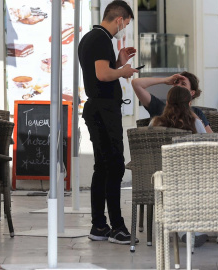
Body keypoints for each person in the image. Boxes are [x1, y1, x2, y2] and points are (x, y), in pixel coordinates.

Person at [78, 0, 138, 245]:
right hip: (103, 110)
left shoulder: (91, 38)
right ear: (119, 19)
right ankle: (117, 227)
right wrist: (122, 70)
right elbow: (103, 75)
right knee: (114, 166)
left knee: (102, 167)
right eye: (126, 24)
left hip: (97, 108)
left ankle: (99, 225)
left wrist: (118, 62)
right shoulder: (101, 39)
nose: (124, 28)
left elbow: (101, 72)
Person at [131, 72, 213, 133]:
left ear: (192, 93)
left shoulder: (196, 113)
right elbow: (136, 83)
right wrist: (165, 80)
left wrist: (187, 110)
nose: (178, 86)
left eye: (183, 84)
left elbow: (210, 137)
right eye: (176, 82)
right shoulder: (159, 107)